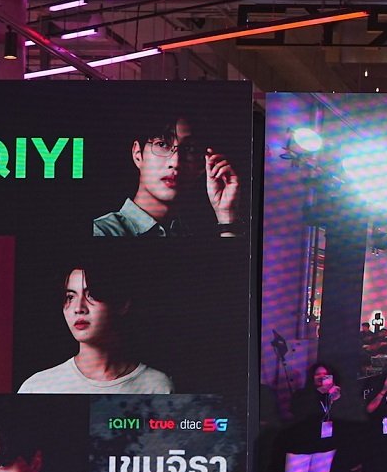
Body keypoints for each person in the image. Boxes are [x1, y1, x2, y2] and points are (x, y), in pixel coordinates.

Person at [19, 262, 172, 394]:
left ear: (122, 304)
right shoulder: (38, 386)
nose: (78, 308)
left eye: (91, 295)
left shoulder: (156, 386)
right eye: (70, 297)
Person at [93, 110, 242, 237]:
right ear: (138, 154)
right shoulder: (102, 231)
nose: (175, 162)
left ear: (202, 166)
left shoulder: (191, 234)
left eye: (189, 149)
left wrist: (226, 216)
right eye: (162, 144)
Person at [280, 362, 345, 472]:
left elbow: (344, 418)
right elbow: (300, 413)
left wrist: (335, 400)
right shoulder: (303, 394)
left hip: (324, 446)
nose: (322, 377)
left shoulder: (335, 395)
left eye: (325, 374)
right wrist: (319, 393)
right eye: (318, 374)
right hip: (300, 446)